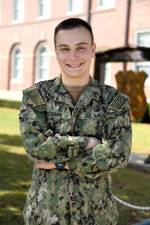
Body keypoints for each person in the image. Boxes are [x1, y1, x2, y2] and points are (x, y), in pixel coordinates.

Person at [19, 17, 132, 225]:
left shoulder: (114, 101)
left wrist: (59, 162)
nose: (73, 56)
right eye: (65, 48)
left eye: (81, 47)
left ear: (92, 49)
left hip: (96, 216)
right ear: (56, 52)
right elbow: (36, 149)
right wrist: (88, 143)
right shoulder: (36, 97)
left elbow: (119, 155)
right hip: (45, 215)